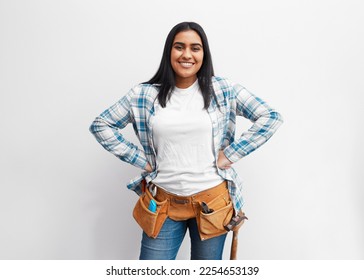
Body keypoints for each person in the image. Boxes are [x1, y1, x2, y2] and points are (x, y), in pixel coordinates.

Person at [89, 21, 283, 260]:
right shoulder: (143, 94)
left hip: (213, 202)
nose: (187, 55)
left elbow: (270, 117)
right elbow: (101, 125)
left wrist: (230, 155)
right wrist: (142, 160)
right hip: (162, 202)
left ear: (204, 53)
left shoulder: (223, 89)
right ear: (169, 51)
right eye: (179, 47)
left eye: (195, 48)